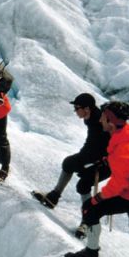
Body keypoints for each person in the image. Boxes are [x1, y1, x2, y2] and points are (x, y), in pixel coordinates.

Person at [64, 101, 129, 257]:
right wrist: (105, 161)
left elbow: (118, 183)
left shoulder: (124, 148)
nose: (100, 119)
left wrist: (99, 197)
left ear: (111, 121)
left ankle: (91, 253)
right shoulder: (126, 134)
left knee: (90, 209)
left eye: (103, 117)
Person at [32, 93, 110, 238]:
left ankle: (87, 222)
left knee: (83, 184)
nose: (75, 111)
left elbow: (103, 145)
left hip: (104, 164)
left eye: (76, 108)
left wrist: (94, 162)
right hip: (93, 159)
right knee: (69, 164)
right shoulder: (91, 118)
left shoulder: (100, 121)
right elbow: (91, 145)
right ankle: (53, 197)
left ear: (87, 108)